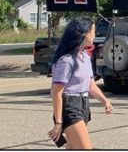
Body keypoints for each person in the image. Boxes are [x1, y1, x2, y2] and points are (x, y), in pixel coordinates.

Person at [47, 17, 114, 149]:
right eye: (93, 31)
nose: (95, 35)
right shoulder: (66, 61)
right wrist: (59, 122)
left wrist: (105, 101)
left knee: (73, 147)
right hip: (70, 106)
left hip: (83, 105)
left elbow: (91, 86)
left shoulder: (85, 57)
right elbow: (57, 93)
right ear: (85, 33)